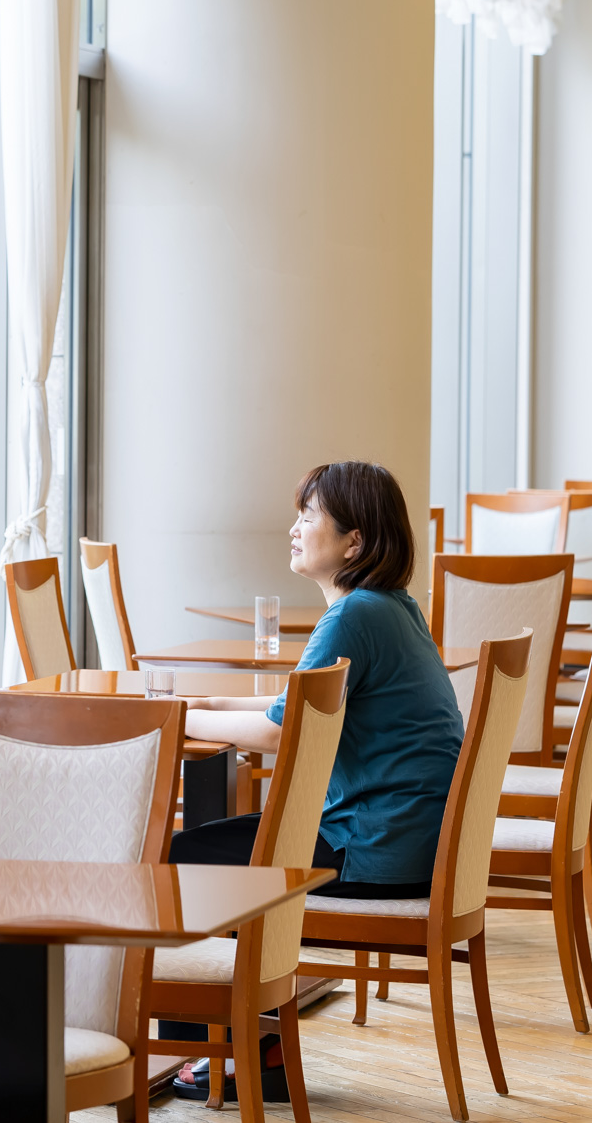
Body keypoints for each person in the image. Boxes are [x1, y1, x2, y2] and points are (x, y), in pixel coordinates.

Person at [167, 460, 465, 1101]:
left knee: (176, 863)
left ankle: (231, 1052)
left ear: (353, 542)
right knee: (210, 851)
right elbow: (292, 709)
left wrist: (179, 719)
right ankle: (241, 1041)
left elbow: (282, 733)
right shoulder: (392, 608)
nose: (295, 529)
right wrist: (208, 711)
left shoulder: (352, 616)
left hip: (373, 847)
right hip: (403, 837)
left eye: (309, 517)